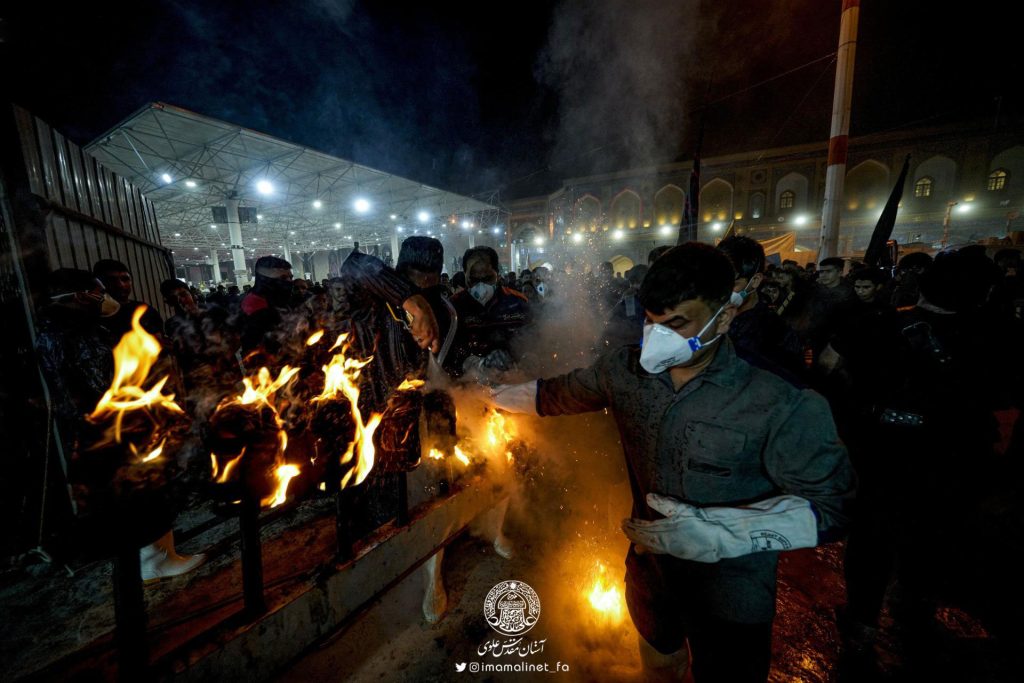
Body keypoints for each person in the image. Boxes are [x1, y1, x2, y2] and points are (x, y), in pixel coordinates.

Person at [486, 244, 855, 682]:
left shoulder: (779, 399)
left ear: (727, 315)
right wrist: (484, 397)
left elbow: (833, 505)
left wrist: (722, 533)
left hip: (733, 592)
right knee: (659, 666)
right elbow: (554, 393)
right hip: (650, 572)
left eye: (678, 323)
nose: (658, 337)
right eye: (651, 320)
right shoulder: (624, 371)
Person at [717, 236, 804, 378]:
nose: (720, 291)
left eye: (730, 283)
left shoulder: (776, 332)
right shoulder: (708, 319)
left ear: (755, 281)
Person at [447, 246, 531, 379]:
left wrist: (522, 358)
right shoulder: (453, 307)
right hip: (470, 386)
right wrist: (470, 362)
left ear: (497, 274)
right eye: (474, 280)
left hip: (514, 380)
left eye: (487, 278)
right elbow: (446, 350)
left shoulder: (518, 302)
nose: (481, 286)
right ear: (465, 276)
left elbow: (535, 340)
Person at [92, 259, 164, 338]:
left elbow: (159, 339)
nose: (121, 285)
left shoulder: (146, 310)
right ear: (98, 283)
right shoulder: (92, 314)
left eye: (125, 279)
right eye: (112, 280)